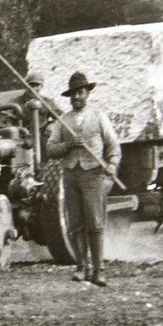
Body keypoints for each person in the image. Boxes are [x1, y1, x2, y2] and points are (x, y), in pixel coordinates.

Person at [46, 72, 121, 286]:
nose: (77, 97)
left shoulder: (98, 116)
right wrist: (68, 146)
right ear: (69, 97)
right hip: (70, 174)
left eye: (81, 92)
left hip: (93, 174)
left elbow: (113, 145)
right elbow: (50, 149)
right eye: (73, 94)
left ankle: (99, 270)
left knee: (95, 223)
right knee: (76, 224)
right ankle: (82, 267)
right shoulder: (63, 121)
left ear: (87, 93)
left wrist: (113, 164)